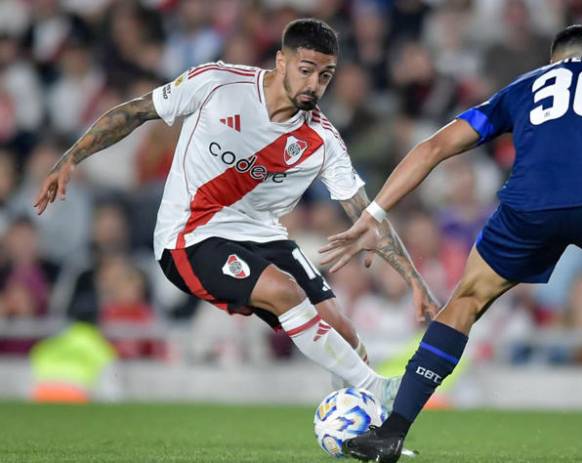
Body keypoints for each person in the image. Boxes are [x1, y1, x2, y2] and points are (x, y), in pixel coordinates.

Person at [320, 25, 582, 462]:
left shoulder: (523, 87)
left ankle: (390, 433)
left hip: (531, 207)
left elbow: (434, 146)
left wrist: (373, 215)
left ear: (553, 59)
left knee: (464, 301)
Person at [33, 18, 439, 408]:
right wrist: (72, 156)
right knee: (284, 291)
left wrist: (413, 279)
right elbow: (136, 111)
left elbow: (367, 214)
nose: (314, 84)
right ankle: (378, 390)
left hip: (262, 235)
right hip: (188, 237)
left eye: (325, 76)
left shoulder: (321, 140)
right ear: (281, 61)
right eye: (306, 70)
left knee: (345, 335)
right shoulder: (217, 83)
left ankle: (362, 426)